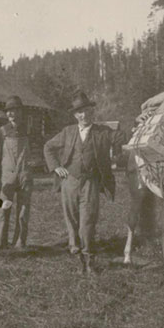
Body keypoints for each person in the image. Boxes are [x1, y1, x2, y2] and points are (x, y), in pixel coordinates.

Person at [43, 90, 126, 274]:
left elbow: (120, 137)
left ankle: (89, 258)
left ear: (92, 112)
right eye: (80, 112)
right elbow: (48, 147)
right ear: (75, 115)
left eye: (87, 111)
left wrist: (130, 135)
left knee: (87, 221)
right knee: (71, 220)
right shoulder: (68, 132)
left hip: (90, 183)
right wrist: (56, 167)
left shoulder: (102, 132)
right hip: (69, 182)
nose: (84, 115)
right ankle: (77, 255)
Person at [0, 95, 34, 251]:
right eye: (8, 111)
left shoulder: (28, 130)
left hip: (25, 175)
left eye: (13, 110)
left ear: (20, 111)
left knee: (23, 210)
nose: (10, 114)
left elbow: (36, 148)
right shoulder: (2, 131)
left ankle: (19, 242)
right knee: (2, 208)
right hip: (6, 175)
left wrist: (31, 165)